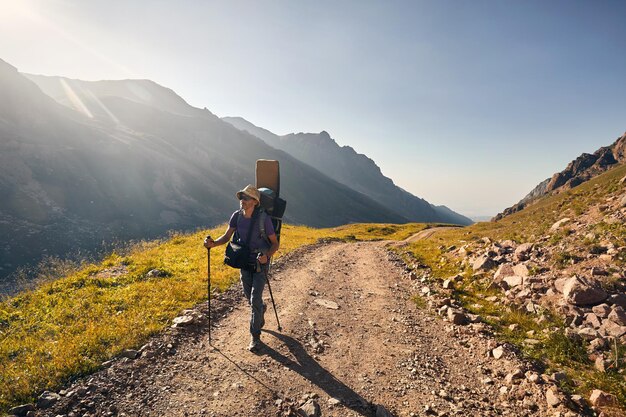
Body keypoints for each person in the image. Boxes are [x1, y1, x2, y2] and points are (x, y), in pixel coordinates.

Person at [204, 184, 279, 351]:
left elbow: (275, 243)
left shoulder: (263, 219)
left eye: (245, 198)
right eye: (241, 198)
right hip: (244, 262)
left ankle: (255, 337)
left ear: (254, 202)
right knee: (250, 298)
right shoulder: (236, 217)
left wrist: (267, 256)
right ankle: (261, 308)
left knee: (254, 299)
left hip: (261, 264)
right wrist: (213, 243)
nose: (242, 201)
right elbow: (226, 236)